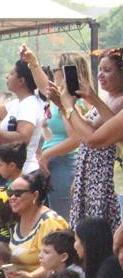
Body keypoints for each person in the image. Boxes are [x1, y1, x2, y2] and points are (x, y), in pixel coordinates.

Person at [50, 47, 123, 231]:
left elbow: (93, 138)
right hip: (91, 176)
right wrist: (63, 104)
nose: (101, 75)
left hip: (105, 179)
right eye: (100, 69)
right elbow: (89, 129)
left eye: (108, 70)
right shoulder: (106, 98)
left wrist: (68, 107)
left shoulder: (120, 101)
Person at [22, 48, 89, 218]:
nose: (53, 74)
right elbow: (45, 86)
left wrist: (47, 154)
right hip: (55, 162)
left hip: (65, 163)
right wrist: (33, 63)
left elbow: (76, 139)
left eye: (55, 70)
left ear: (67, 72)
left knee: (63, 217)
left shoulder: (73, 101)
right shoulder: (61, 97)